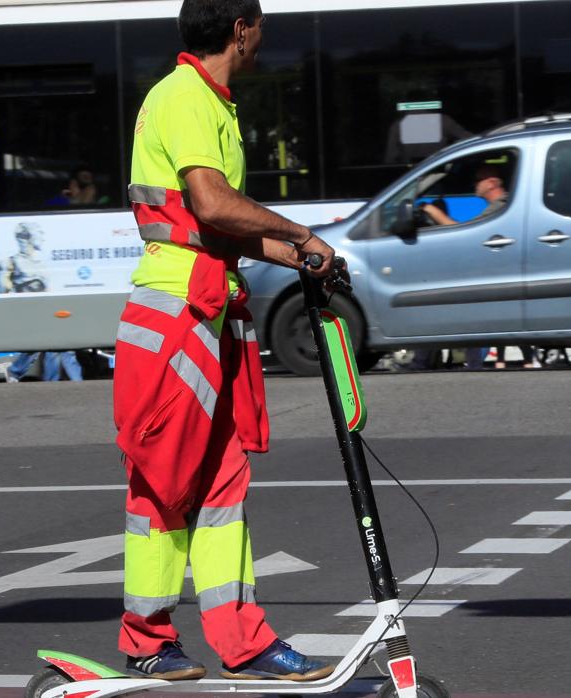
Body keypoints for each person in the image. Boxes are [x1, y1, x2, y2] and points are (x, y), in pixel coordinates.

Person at [112, 0, 336, 683]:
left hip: (204, 306)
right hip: (178, 311)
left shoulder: (209, 98)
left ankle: (245, 642)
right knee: (167, 482)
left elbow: (215, 226)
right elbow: (210, 204)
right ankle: (145, 640)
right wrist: (299, 236)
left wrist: (303, 256)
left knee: (219, 485)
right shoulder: (183, 95)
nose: (263, 37)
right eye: (260, 25)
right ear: (241, 29)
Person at [419, 164, 509, 226]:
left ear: (491, 183)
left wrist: (428, 208)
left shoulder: (501, 205)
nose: (474, 184)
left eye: (477, 180)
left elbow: (463, 231)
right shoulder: (502, 204)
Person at [0, 222, 48, 293]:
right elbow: (1, 291)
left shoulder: (41, 264)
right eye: (40, 233)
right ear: (27, 236)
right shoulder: (7, 262)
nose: (43, 239)